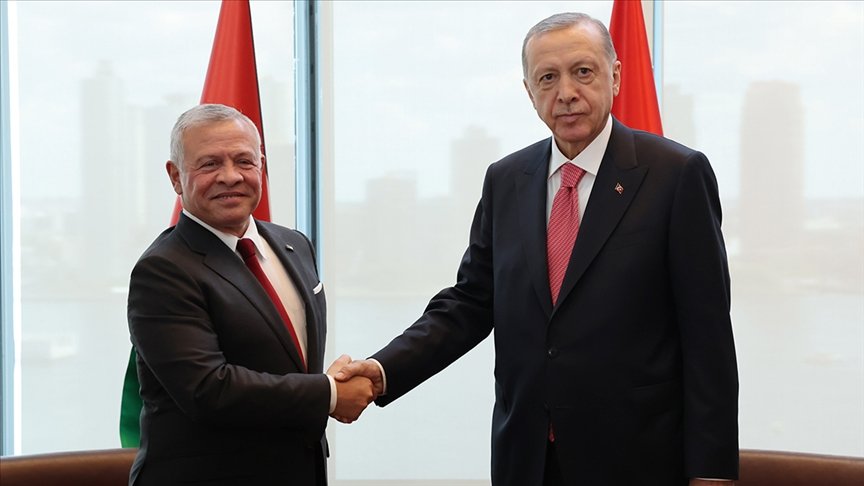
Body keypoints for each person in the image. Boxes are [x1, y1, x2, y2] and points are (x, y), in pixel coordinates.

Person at [335, 12, 738, 486]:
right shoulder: (506, 179)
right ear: (529, 92)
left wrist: (712, 472)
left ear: (615, 76)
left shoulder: (675, 174)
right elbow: (469, 303)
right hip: (525, 458)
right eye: (547, 77)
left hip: (636, 458)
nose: (565, 92)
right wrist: (382, 370)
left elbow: (708, 336)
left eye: (582, 72)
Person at [127, 103, 374, 486]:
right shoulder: (163, 270)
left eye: (244, 161)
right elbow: (208, 389)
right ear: (176, 176)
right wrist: (329, 393)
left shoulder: (294, 245)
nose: (230, 176)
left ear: (262, 166)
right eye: (210, 164)